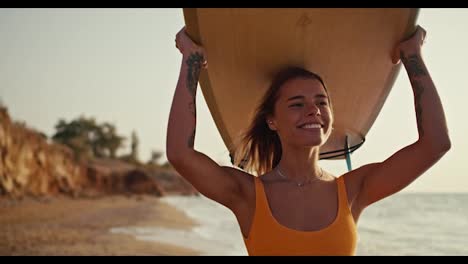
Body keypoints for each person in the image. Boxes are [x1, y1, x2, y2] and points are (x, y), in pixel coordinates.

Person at [166, 25, 451, 256]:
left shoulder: (353, 190)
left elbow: (435, 143)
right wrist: (190, 62)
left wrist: (412, 57)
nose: (313, 109)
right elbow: (180, 153)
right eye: (296, 104)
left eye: (321, 102)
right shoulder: (249, 195)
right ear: (272, 121)